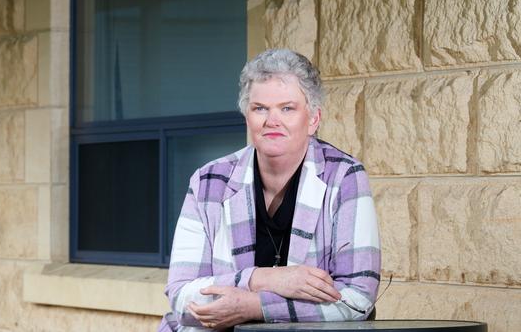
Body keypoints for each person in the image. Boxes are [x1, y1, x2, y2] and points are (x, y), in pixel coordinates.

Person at [158, 49, 380, 331]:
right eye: (259, 108)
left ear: (313, 119)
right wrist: (264, 279)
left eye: (287, 108)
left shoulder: (344, 177)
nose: (271, 120)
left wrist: (253, 306)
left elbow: (357, 299)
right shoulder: (209, 181)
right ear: (247, 116)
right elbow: (181, 296)